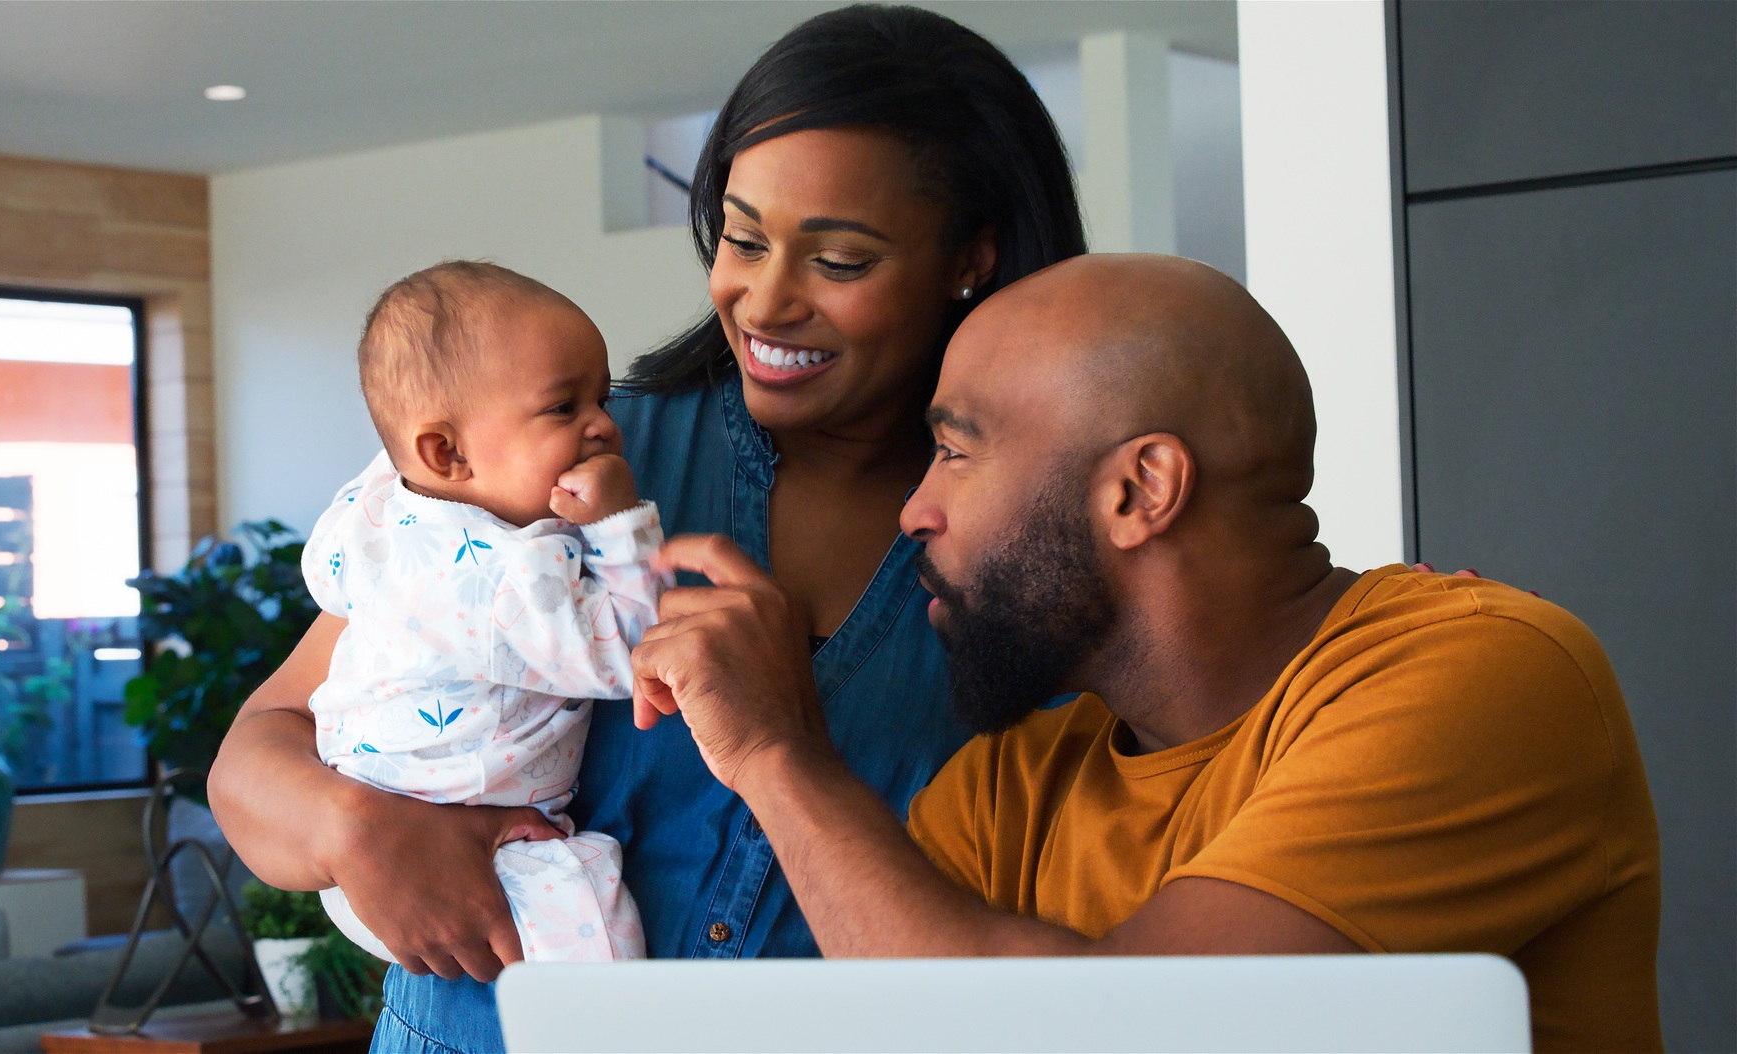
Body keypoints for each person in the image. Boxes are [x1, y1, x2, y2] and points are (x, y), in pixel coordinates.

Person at [206, 6, 1087, 1051]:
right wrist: (353, 830)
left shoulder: (1042, 543)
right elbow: (258, 751)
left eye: (839, 261)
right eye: (741, 237)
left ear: (969, 259)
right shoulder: (563, 466)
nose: (763, 300)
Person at [631, 254, 1664, 1054]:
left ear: (1138, 491)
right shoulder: (1006, 788)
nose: (915, 511)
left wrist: (777, 754)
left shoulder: (1483, 674)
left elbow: (1124, 1034)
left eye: (953, 451)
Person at [304, 262, 661, 965]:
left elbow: (327, 579)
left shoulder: (377, 503)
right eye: (564, 408)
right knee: (595, 907)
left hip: (363, 818)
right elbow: (633, 651)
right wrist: (620, 525)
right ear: (447, 452)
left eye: (602, 397)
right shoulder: (507, 583)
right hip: (451, 854)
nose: (604, 427)